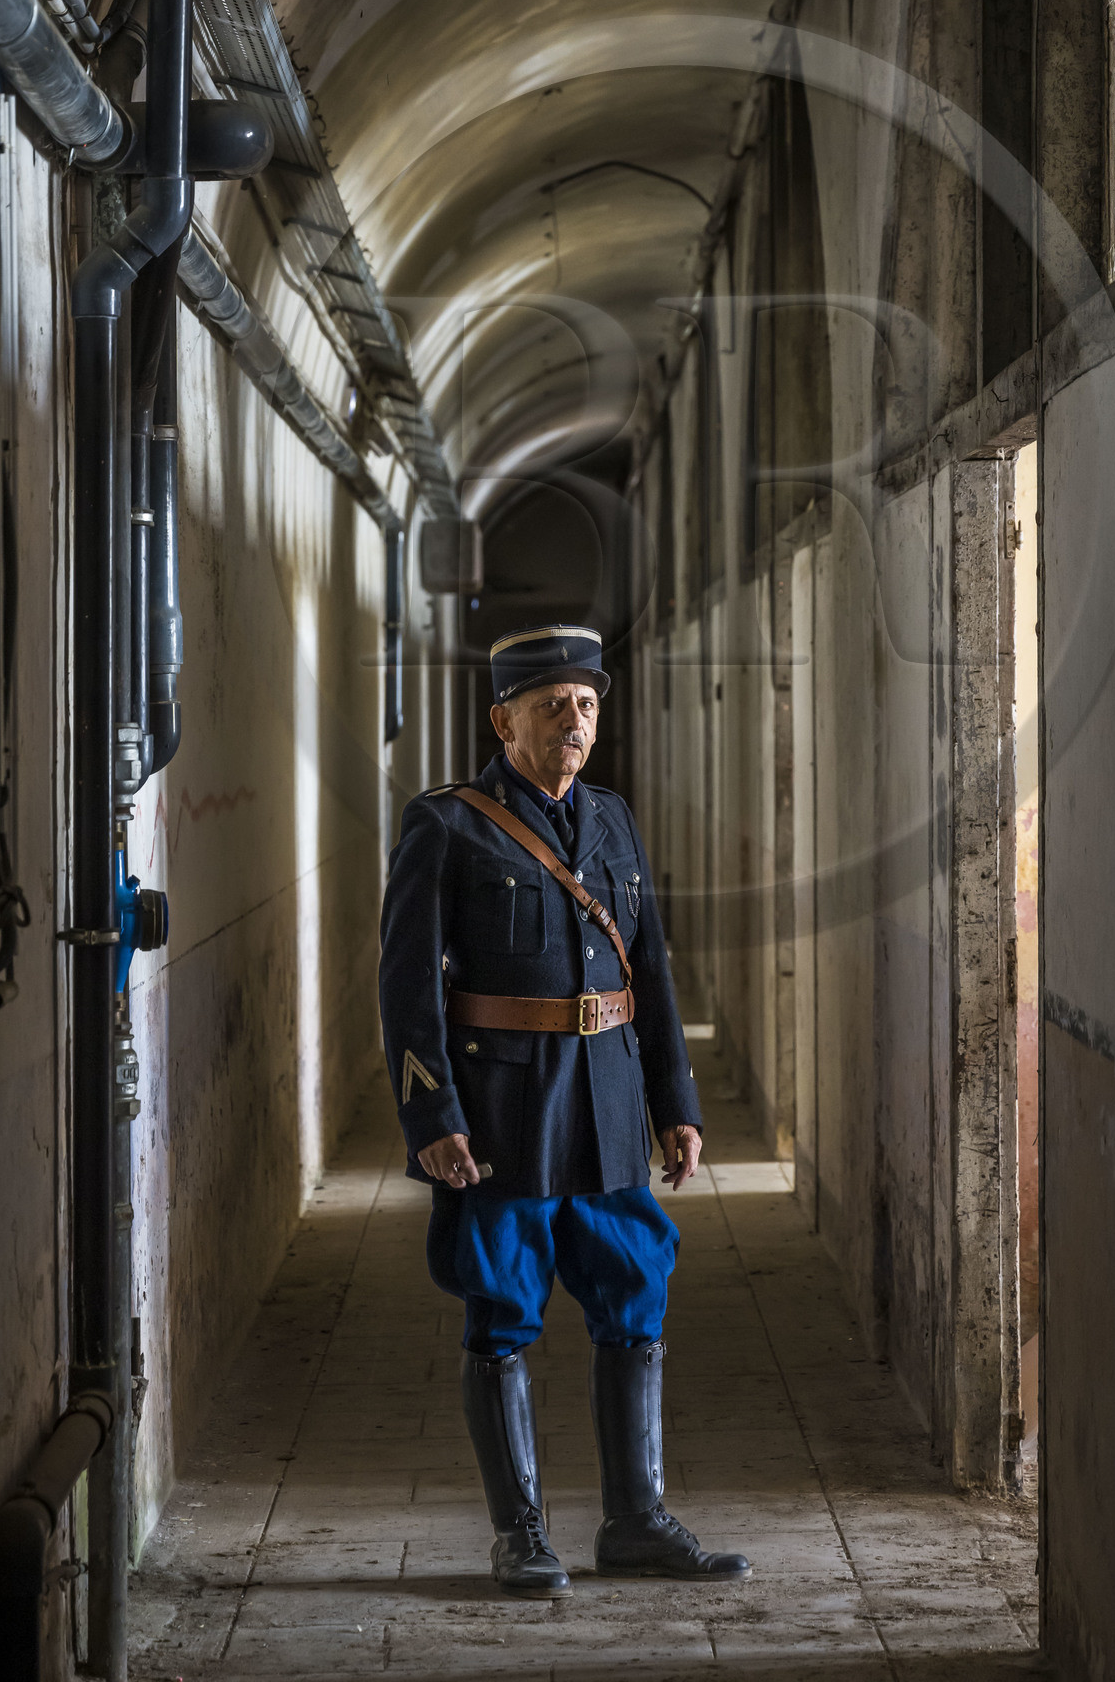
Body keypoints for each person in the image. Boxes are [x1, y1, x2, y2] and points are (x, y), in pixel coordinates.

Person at [379, 621, 751, 1596]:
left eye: (586, 706)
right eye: (551, 707)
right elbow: (407, 989)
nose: (573, 723)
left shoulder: (614, 822)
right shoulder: (448, 825)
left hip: (609, 1106)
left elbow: (652, 971)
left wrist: (675, 1102)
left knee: (635, 1293)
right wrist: (433, 1121)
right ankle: (521, 1534)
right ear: (504, 720)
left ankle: (634, 1521)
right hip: (503, 1113)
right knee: (502, 1309)